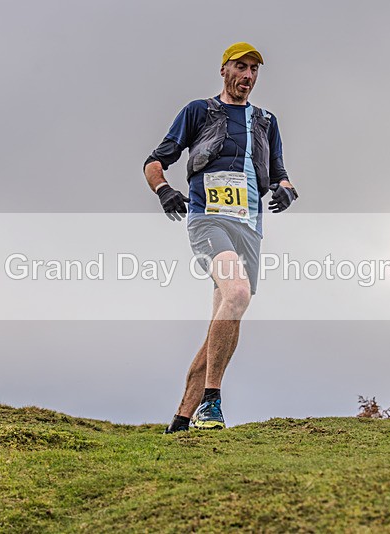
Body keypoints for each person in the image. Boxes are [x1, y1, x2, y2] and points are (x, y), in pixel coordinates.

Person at [143, 42, 298, 433]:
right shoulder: (199, 111)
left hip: (250, 226)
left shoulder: (265, 120)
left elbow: (280, 170)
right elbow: (155, 160)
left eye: (254, 71)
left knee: (224, 315)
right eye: (241, 68)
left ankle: (182, 418)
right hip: (208, 219)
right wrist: (164, 190)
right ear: (224, 70)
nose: (248, 76)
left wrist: (285, 188)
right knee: (238, 294)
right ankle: (212, 403)